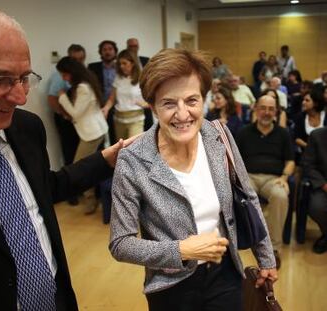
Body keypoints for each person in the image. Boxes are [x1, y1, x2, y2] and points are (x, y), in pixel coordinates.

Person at [0, 1, 134, 310]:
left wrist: (108, 159)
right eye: (0, 79)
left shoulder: (27, 128)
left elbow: (45, 187)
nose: (20, 97)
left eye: (24, 78)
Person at [109, 49, 277, 311]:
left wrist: (266, 258)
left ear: (204, 99)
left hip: (226, 273)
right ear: (152, 106)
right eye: (168, 103)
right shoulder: (132, 160)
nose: (183, 114)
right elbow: (121, 243)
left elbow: (249, 197)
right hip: (170, 285)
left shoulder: (218, 136)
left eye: (191, 100)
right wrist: (182, 250)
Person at [237, 95, 295, 268]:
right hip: (249, 177)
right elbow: (234, 160)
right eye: (263, 108)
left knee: (281, 195)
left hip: (274, 178)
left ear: (276, 112)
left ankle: (273, 248)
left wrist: (284, 177)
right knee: (244, 195)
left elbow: (291, 161)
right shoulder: (244, 132)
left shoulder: (283, 134)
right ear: (256, 109)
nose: (266, 112)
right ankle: (250, 242)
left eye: (271, 109)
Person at [56, 57, 109, 214]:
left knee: (80, 167)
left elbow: (76, 114)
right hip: (94, 131)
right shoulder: (86, 83)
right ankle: (93, 199)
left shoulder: (83, 88)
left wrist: (62, 97)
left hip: (92, 133)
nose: (63, 78)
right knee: (91, 165)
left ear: (71, 72)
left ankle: (91, 200)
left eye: (64, 74)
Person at [48, 44, 86, 205]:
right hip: (66, 120)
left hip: (79, 120)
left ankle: (83, 189)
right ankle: (72, 194)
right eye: (75, 59)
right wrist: (65, 115)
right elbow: (52, 98)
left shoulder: (81, 74)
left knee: (81, 154)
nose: (78, 61)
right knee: (70, 154)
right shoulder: (59, 76)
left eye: (81, 58)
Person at [102, 49, 148, 141]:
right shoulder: (118, 78)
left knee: (134, 148)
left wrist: (145, 104)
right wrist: (106, 108)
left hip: (136, 120)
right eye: (119, 64)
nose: (121, 66)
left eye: (124, 63)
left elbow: (153, 99)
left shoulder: (142, 79)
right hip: (119, 119)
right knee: (121, 148)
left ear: (133, 63)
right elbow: (112, 98)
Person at [88, 40, 118, 145]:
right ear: (100, 52)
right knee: (99, 137)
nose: (107, 52)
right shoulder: (92, 67)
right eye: (104, 49)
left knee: (117, 137)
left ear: (115, 51)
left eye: (110, 49)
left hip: (118, 106)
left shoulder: (122, 67)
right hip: (99, 107)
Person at [302, 127, 327, 253]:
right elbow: (308, 165)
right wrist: (324, 185)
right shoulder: (317, 135)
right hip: (322, 184)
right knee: (317, 207)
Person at [293, 88, 326, 164]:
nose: (303, 102)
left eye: (307, 100)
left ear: (316, 103)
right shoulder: (300, 117)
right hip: (307, 153)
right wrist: (310, 147)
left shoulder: (325, 116)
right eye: (303, 100)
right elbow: (297, 138)